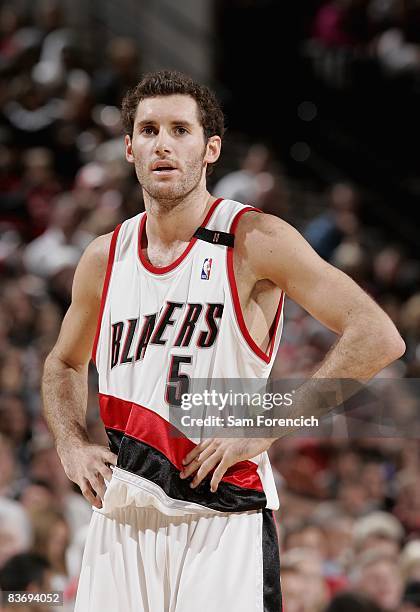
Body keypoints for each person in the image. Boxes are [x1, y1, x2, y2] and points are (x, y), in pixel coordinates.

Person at [41, 70, 405, 611]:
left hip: (222, 513)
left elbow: (377, 335)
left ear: (211, 148)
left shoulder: (254, 239)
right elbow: (64, 363)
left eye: (180, 130)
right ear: (128, 147)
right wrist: (70, 442)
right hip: (123, 513)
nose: (163, 143)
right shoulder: (104, 257)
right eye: (148, 130)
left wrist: (266, 424)